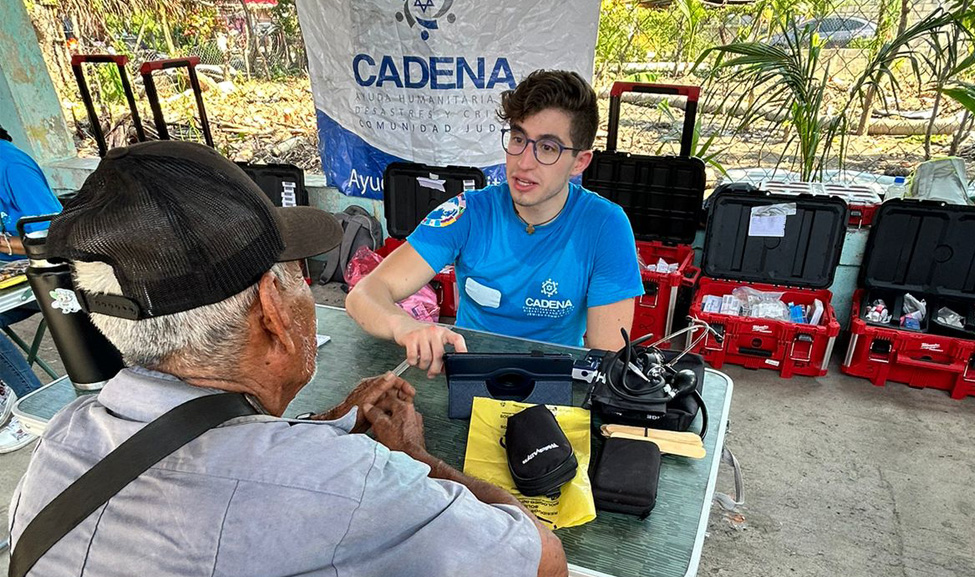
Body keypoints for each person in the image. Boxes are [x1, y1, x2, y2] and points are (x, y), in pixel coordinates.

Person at [8, 141, 566, 577]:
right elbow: (541, 560)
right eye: (298, 274)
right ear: (273, 312)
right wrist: (416, 458)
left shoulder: (60, 442)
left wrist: (319, 430)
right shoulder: (351, 488)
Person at [346, 70, 643, 377]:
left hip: (556, 382)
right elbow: (364, 294)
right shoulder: (470, 212)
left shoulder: (605, 225)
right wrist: (405, 326)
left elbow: (607, 357)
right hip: (470, 376)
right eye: (518, 138)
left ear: (579, 162)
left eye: (548, 147)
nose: (524, 162)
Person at [0, 124, 64, 453]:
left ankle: (30, 408)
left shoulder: (11, 166)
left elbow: (53, 237)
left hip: (43, 276)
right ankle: (4, 386)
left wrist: (5, 245)